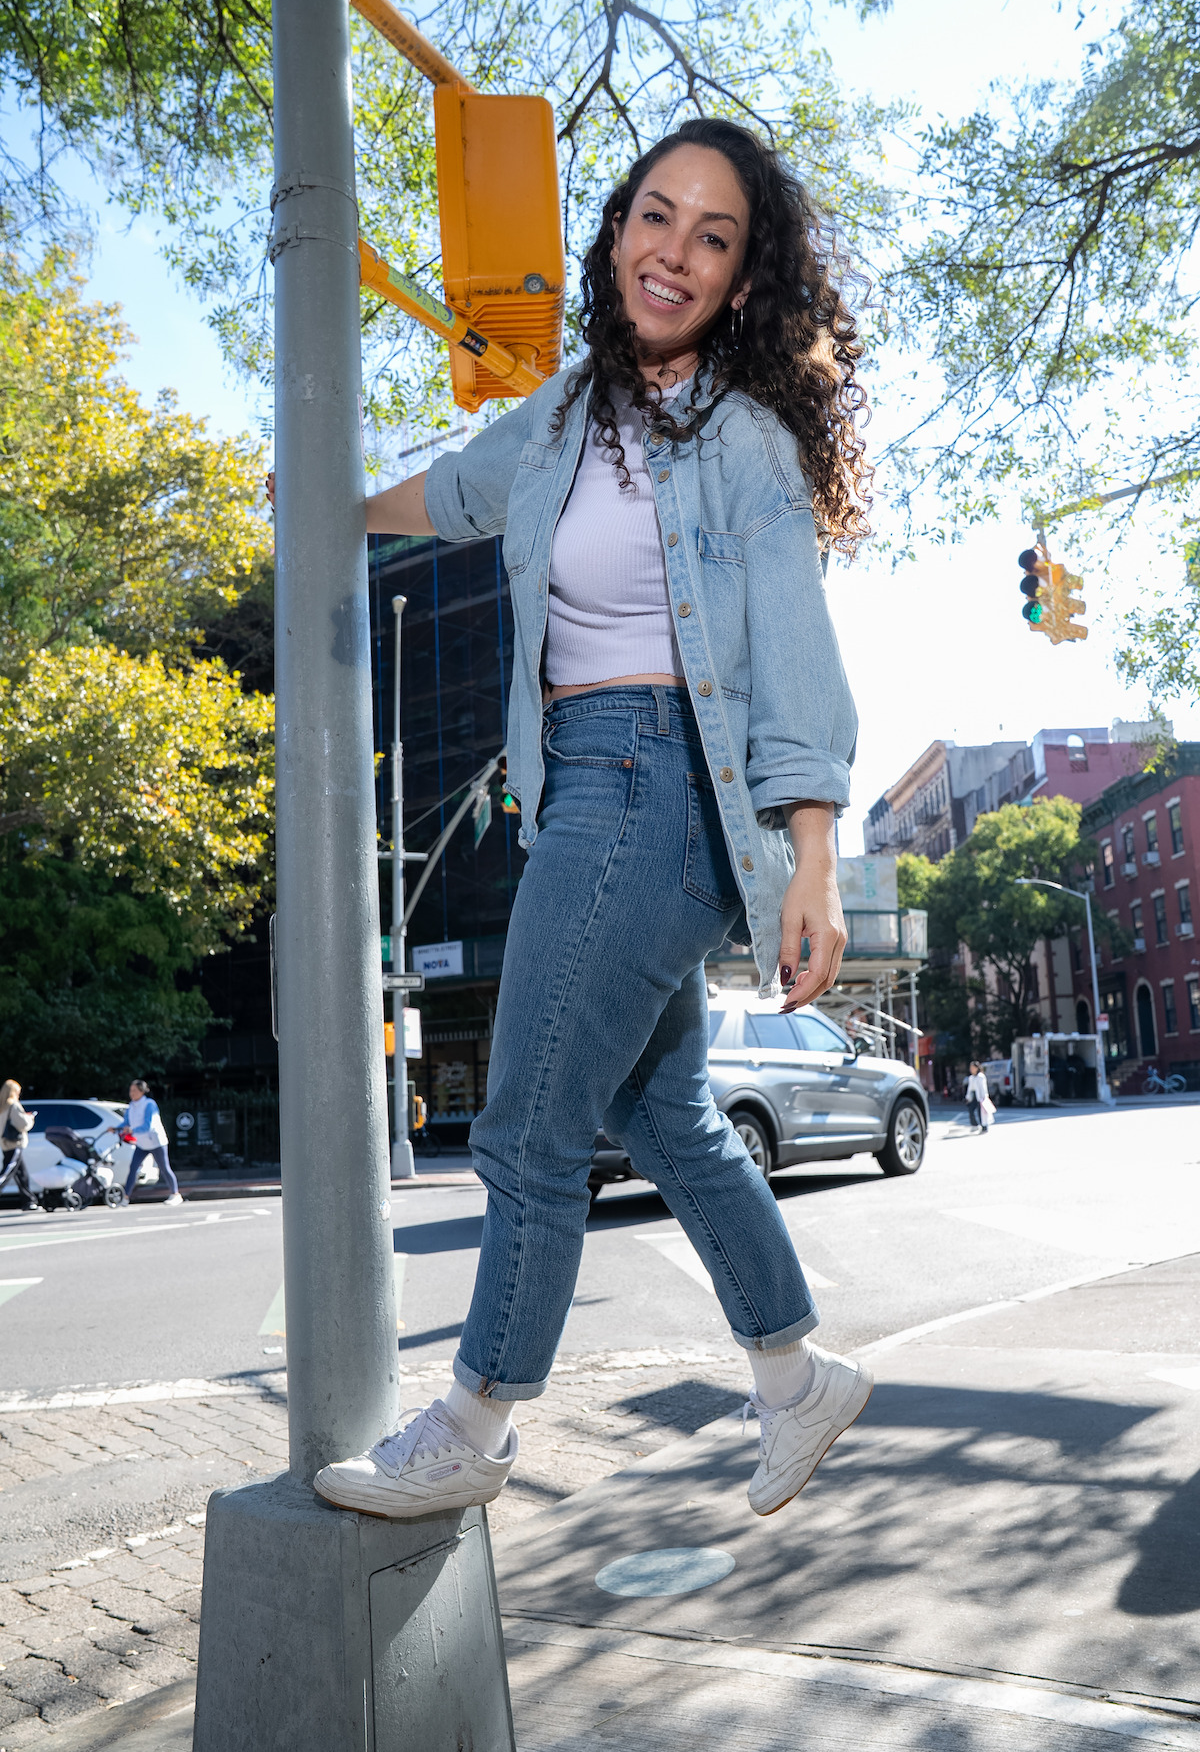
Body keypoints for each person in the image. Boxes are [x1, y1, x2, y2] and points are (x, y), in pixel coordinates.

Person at [296, 118, 873, 1521]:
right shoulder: (558, 421)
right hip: (578, 781)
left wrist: (815, 863)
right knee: (665, 1113)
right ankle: (797, 1377)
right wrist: (316, 506)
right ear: (616, 234)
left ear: (742, 280)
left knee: (529, 1125)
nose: (674, 252)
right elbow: (447, 494)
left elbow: (794, 650)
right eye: (656, 217)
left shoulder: (740, 443)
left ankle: (478, 1425)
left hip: (657, 784)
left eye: (714, 236)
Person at [119, 1081, 183, 1205]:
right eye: (130, 1090)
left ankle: (175, 1194)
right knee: (133, 1168)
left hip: (156, 1142)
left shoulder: (149, 1104)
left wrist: (132, 1130)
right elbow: (126, 1122)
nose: (131, 1093)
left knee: (164, 1168)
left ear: (142, 1091)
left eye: (134, 1091)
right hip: (142, 1143)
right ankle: (125, 1198)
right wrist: (115, 1128)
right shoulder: (131, 1106)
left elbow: (148, 1126)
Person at [0, 1080, 38, 1211]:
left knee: (21, 1174)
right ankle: (29, 1201)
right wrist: (30, 1118)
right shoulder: (13, 1106)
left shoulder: (2, 1106)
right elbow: (22, 1124)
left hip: (5, 1143)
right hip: (14, 1143)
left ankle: (29, 1200)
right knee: (6, 1173)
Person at [965, 1062, 989, 1132]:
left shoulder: (981, 1076)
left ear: (977, 1068)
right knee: (971, 1110)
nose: (971, 1069)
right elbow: (969, 1089)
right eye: (970, 1068)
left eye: (973, 1068)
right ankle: (974, 1125)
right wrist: (967, 1097)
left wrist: (985, 1097)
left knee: (981, 1112)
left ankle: (984, 1126)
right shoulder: (971, 1077)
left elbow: (983, 1087)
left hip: (980, 1096)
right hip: (973, 1096)